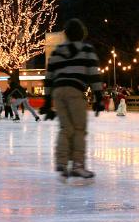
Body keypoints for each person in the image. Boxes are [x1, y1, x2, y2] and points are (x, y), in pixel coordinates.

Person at [42, 18, 103, 179]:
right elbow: (93, 74)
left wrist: (47, 101)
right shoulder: (86, 50)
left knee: (65, 128)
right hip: (75, 91)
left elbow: (49, 77)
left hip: (58, 92)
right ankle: (77, 164)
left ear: (67, 35)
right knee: (78, 128)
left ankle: (61, 162)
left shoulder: (57, 51)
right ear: (82, 34)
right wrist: (98, 97)